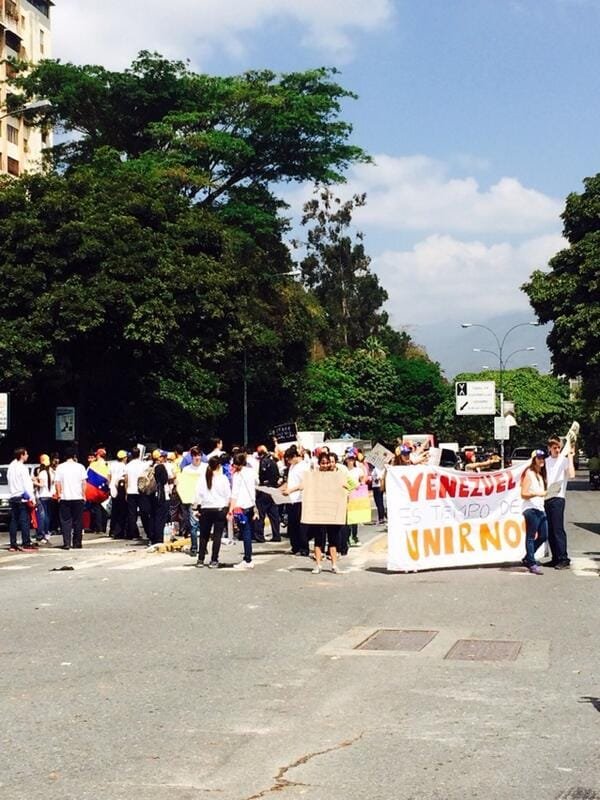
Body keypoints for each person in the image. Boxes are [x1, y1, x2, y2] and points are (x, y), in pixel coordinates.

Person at [544, 436, 576, 569]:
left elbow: (572, 474)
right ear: (549, 448)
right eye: (554, 447)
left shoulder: (563, 461)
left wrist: (570, 457)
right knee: (549, 529)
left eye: (558, 447)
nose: (557, 450)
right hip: (546, 497)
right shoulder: (546, 461)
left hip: (558, 498)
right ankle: (555, 557)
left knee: (558, 529)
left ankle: (564, 558)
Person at [195, 455, 231, 568]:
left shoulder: (202, 478)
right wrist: (228, 509)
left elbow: (198, 495)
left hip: (205, 508)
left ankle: (200, 559)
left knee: (204, 535)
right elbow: (228, 495)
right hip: (220, 508)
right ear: (219, 466)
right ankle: (214, 560)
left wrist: (197, 508)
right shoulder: (223, 478)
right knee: (217, 536)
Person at [520, 449, 548, 575]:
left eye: (543, 458)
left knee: (544, 535)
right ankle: (531, 563)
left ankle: (528, 557)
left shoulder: (540, 475)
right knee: (531, 536)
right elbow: (523, 494)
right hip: (531, 509)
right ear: (534, 460)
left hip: (540, 508)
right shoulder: (529, 474)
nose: (541, 460)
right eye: (539, 458)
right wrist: (537, 494)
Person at [230, 452, 259, 570]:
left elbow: (234, 493)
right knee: (249, 532)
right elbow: (257, 482)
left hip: (241, 506)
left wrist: (231, 509)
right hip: (251, 504)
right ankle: (248, 558)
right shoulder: (251, 472)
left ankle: (247, 559)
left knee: (245, 533)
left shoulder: (237, 476)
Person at [54, 448, 88, 549]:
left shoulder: (60, 467)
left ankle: (67, 543)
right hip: (78, 497)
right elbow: (84, 483)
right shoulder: (80, 467)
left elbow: (57, 483)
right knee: (78, 521)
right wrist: (83, 494)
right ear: (74, 456)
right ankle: (77, 542)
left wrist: (59, 494)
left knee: (65, 521)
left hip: (65, 497)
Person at [282, 445, 310, 557]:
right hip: (291, 499)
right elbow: (290, 481)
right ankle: (295, 546)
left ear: (294, 456)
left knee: (301, 526)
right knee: (292, 525)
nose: (288, 462)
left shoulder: (304, 466)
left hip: (300, 499)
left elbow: (304, 484)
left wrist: (291, 490)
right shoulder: (292, 467)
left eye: (289, 459)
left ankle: (303, 548)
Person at [7, 447, 35, 552]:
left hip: (13, 496)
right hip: (22, 496)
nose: (27, 456)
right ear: (22, 455)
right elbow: (27, 484)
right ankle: (26, 543)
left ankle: (13, 544)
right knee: (24, 520)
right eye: (26, 454)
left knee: (14, 521)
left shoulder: (11, 467)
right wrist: (32, 497)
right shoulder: (22, 468)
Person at [180, 447, 207, 557]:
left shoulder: (206, 468)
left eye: (199, 455)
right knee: (193, 525)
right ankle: (194, 547)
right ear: (191, 457)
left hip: (205, 501)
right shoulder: (186, 470)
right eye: (195, 455)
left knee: (204, 525)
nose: (197, 457)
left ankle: (203, 547)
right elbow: (183, 485)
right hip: (192, 500)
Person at [255, 445, 282, 542]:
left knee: (261, 513)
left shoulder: (263, 461)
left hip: (264, 489)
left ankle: (259, 536)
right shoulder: (273, 461)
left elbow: (262, 476)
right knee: (274, 514)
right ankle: (276, 535)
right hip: (273, 489)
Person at [124, 447, 152, 540]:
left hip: (131, 491)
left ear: (131, 455)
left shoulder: (128, 466)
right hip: (142, 491)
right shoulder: (143, 465)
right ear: (139, 454)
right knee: (144, 512)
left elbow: (126, 480)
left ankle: (132, 534)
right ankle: (148, 532)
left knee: (132, 514)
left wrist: (126, 492)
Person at [150, 450, 170, 545]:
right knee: (161, 518)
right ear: (159, 458)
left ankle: (153, 537)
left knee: (153, 516)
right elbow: (165, 480)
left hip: (152, 495)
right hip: (161, 494)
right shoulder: (161, 467)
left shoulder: (150, 467)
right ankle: (159, 538)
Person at [33, 454, 53, 544]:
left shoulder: (42, 473)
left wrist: (34, 482)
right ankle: (47, 532)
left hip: (42, 495)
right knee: (47, 515)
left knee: (41, 516)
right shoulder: (51, 472)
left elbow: (41, 484)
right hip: (49, 496)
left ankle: (41, 533)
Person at [108, 450, 128, 539]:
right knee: (122, 511)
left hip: (112, 489)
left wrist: (110, 485)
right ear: (124, 458)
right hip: (121, 489)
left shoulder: (112, 465)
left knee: (114, 511)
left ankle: (112, 530)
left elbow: (108, 476)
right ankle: (119, 531)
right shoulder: (124, 466)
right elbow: (125, 478)